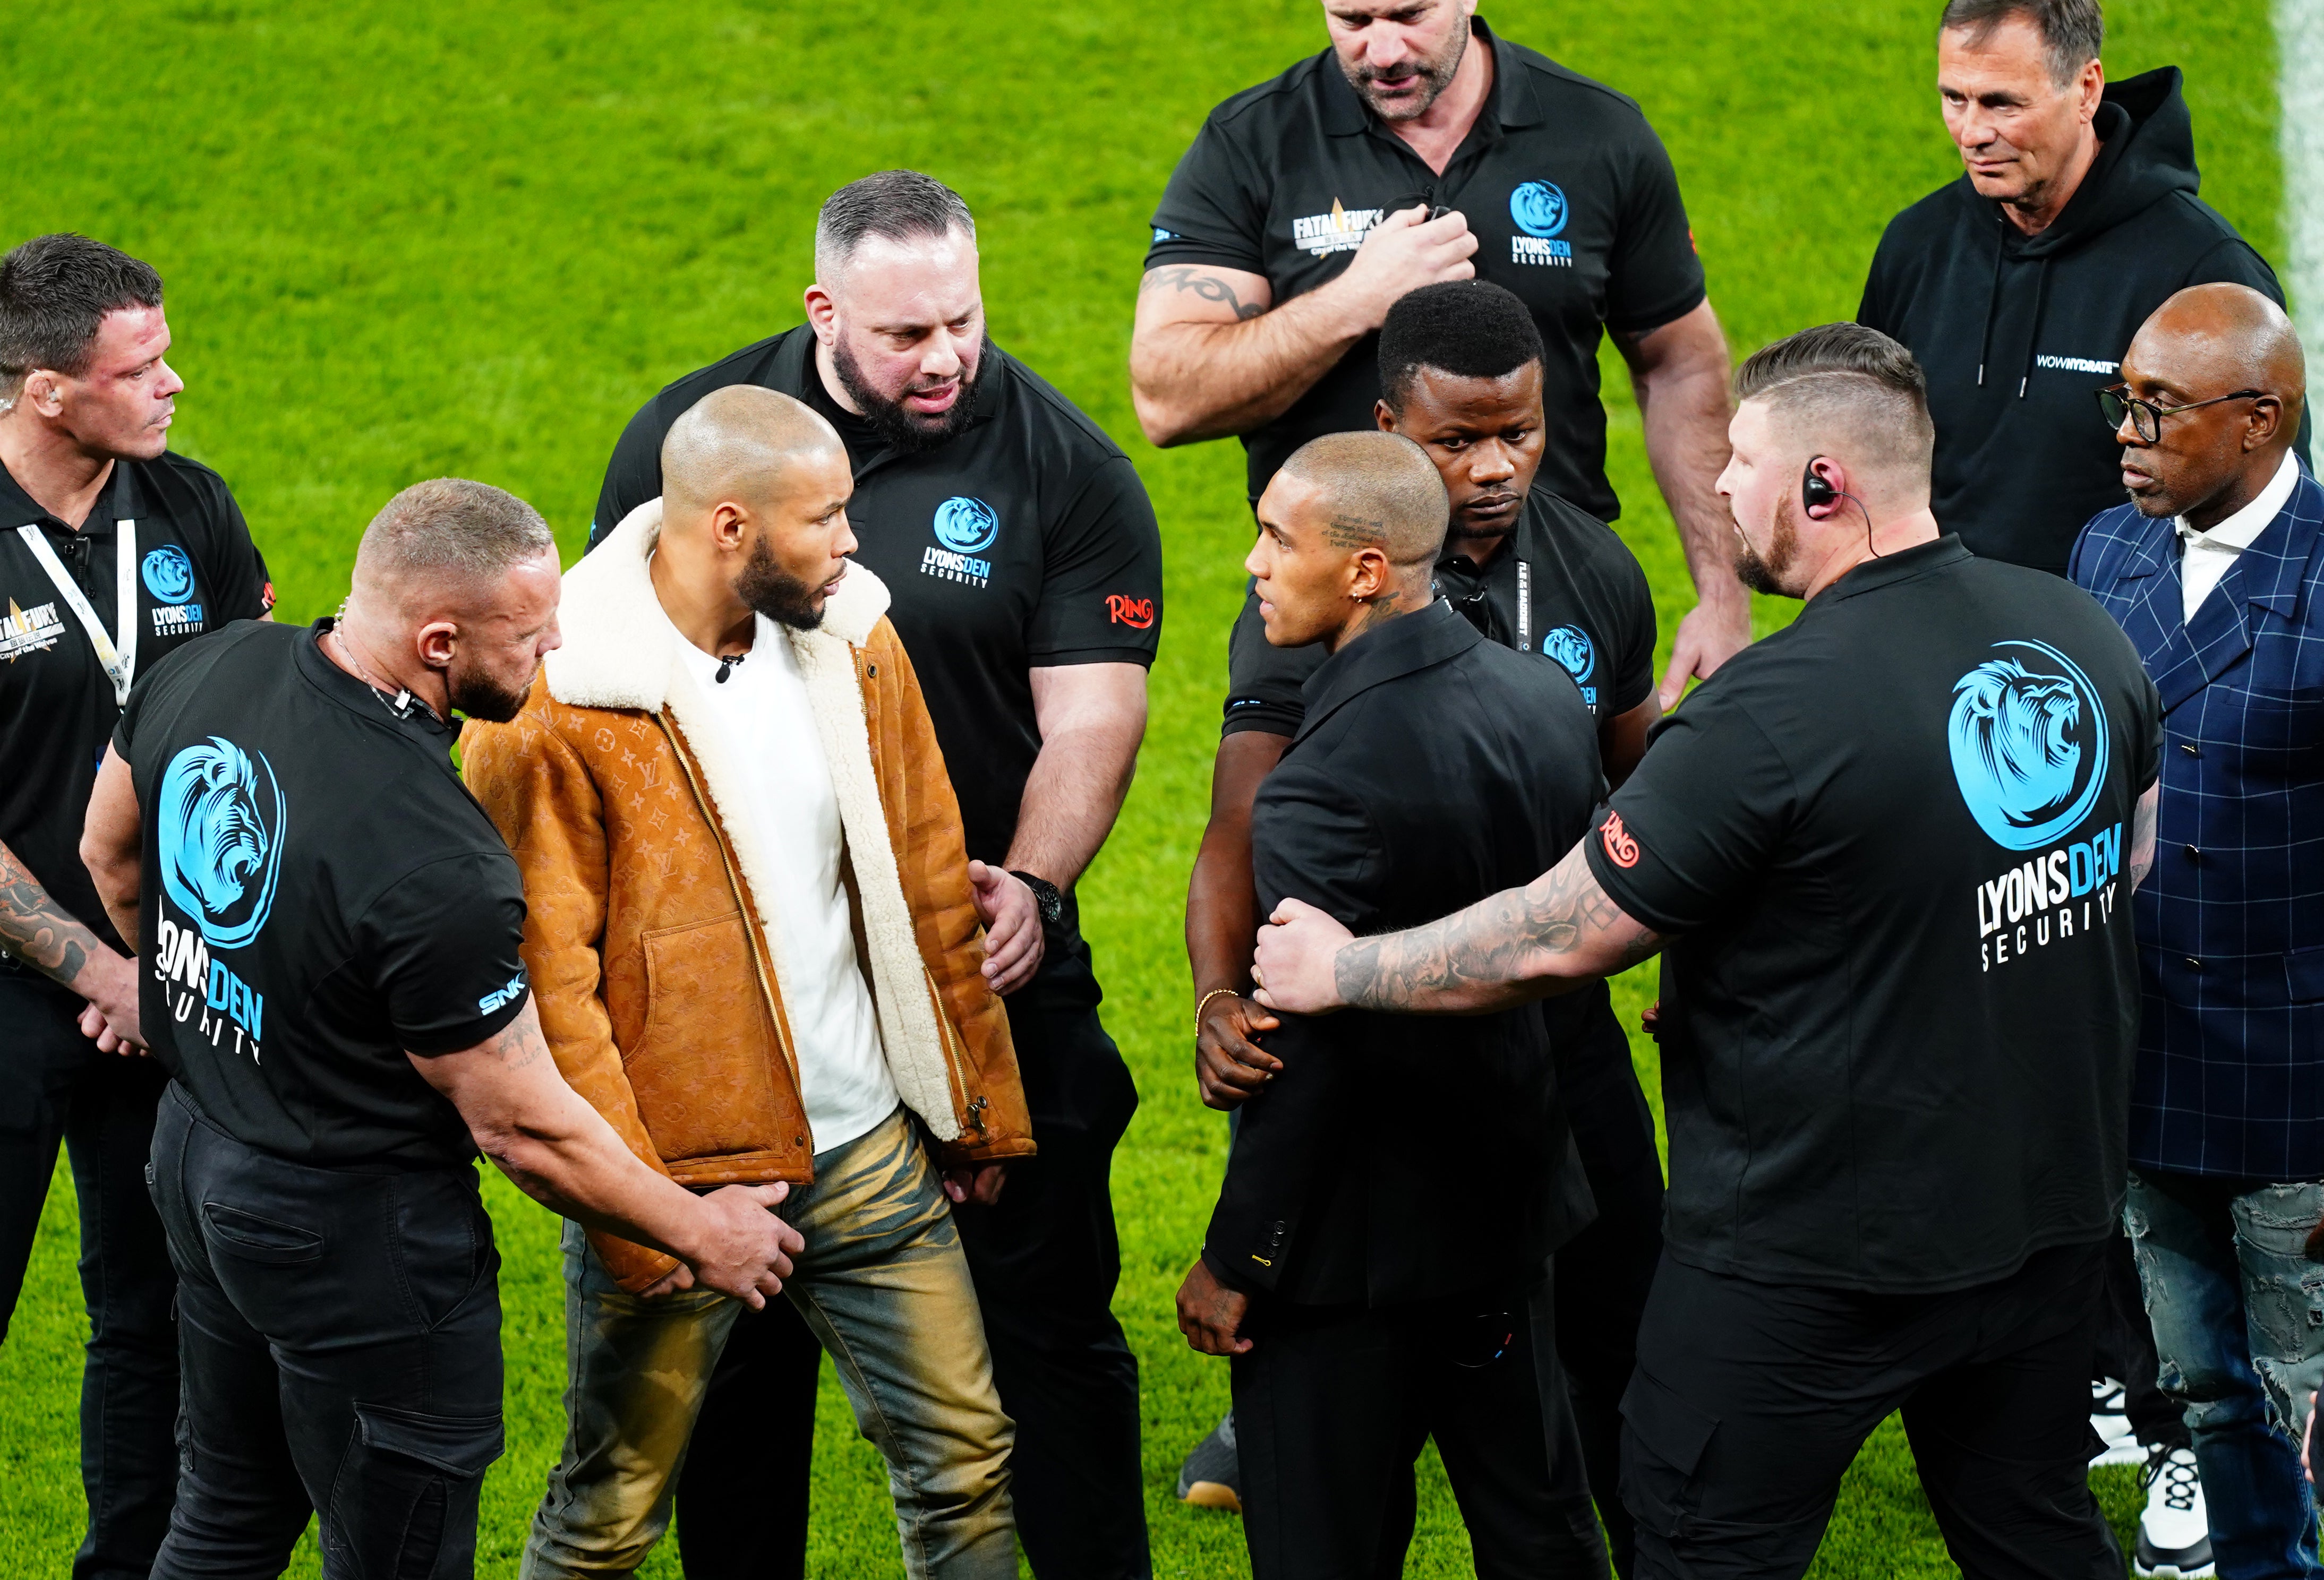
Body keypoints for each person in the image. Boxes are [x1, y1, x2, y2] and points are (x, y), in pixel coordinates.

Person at [1251, 324, 2166, 1580]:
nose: (1720, 490)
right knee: (2033, 1533)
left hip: (1805, 1262)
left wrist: (1342, 969)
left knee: (1698, 1548)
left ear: (1823, 485)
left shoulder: (1763, 717)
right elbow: (2118, 870)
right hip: (2046, 1220)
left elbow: (1559, 938)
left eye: (1738, 461)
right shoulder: (2082, 635)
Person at [586, 170, 1161, 1579]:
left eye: (962, 318)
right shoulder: (692, 437)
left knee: (1054, 1346)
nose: (946, 356)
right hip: (759, 1009)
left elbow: (1093, 712)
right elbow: (615, 687)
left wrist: (1031, 882)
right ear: (823, 309)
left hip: (980, 975)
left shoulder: (1065, 467)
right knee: (743, 1378)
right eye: (906, 334)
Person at [75, 478, 804, 1578]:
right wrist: (706, 1234)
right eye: (528, 631)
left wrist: (192, 991)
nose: (557, 646)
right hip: (351, 1230)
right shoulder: (438, 862)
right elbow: (522, 1127)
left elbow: (112, 853)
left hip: (195, 1153)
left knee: (223, 1517)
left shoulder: (216, 664)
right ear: (436, 640)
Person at [464, 387, 1038, 1579]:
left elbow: (926, 872)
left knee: (968, 1465)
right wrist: (637, 1215)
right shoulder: (558, 705)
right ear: (731, 527)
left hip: (871, 1153)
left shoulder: (856, 637)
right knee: (609, 1514)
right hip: (685, 1183)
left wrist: (972, 1096)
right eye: (826, 517)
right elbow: (545, 986)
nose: (852, 542)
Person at [1183, 279, 1663, 1570]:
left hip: (1443, 1141)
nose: (1496, 467)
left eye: (1522, 431)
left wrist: (1242, 1252)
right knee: (1534, 1482)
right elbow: (1237, 835)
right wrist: (1216, 992)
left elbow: (1650, 822)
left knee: (1360, 1511)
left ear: (1356, 568)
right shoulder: (1521, 698)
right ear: (1398, 431)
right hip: (1514, 1129)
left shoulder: (1588, 578)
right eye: (1459, 442)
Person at [1133, 0, 1745, 712]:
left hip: (1549, 592)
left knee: (1582, 823)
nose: (1384, 50)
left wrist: (1724, 595)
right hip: (1332, 599)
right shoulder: (1255, 144)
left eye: (1409, 14)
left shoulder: (1596, 135)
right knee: (1299, 823)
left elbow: (1680, 363)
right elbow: (1167, 398)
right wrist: (1355, 299)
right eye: (1352, 20)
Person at [0, 231, 274, 1580]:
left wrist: (167, 962)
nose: (175, 384)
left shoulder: (189, 508)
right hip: (23, 994)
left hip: (169, 984)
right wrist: (94, 972)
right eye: (141, 366)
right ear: (46, 389)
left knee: (151, 1312)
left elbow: (243, 730)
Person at [2070, 282, 2324, 1580]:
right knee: (2207, 1389)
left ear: (2259, 421)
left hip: (2298, 1092)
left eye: (2158, 409)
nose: (2126, 429)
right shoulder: (2105, 551)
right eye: (2123, 398)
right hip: (2150, 1065)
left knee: (2310, 1396)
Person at [1857, 0, 2309, 580]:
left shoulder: (2200, 274)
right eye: (1954, 98)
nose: (1971, 133)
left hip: (2113, 654)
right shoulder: (1915, 246)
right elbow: (1866, 456)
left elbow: (2268, 519)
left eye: (2001, 103)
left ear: (2086, 90)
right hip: (1935, 640)